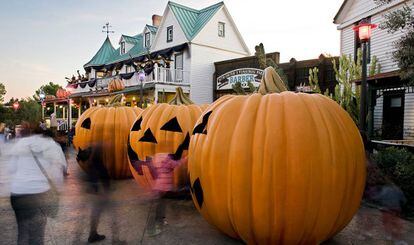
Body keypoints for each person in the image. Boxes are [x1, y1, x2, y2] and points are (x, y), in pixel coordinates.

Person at [5, 127, 67, 245]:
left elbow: (11, 168)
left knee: (22, 232)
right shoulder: (51, 145)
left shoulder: (22, 143)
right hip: (38, 194)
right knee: (37, 235)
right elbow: (57, 173)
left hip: (17, 194)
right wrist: (56, 191)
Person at [77, 143, 111, 243]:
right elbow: (99, 175)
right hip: (98, 192)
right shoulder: (95, 159)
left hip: (96, 190)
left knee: (95, 213)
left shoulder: (92, 160)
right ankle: (92, 234)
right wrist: (101, 191)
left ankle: (92, 234)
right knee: (96, 213)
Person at [146, 153, 185, 236]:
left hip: (159, 187)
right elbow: (178, 163)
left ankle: (161, 221)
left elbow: (153, 164)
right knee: (159, 207)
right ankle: (155, 227)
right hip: (162, 188)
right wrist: (187, 158)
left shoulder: (159, 163)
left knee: (161, 205)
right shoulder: (169, 162)